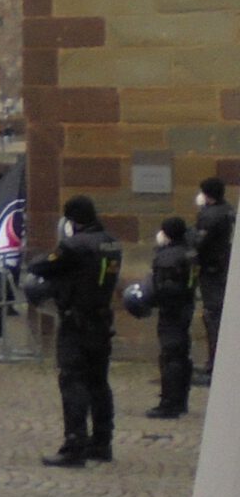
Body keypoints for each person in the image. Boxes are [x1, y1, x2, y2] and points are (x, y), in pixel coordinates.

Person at [27, 195, 121, 467]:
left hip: (76, 323)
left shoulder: (74, 246)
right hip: (101, 320)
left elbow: (42, 266)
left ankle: (74, 444)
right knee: (99, 382)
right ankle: (102, 441)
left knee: (72, 381)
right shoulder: (111, 241)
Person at [143, 216, 197, 420]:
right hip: (185, 307)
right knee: (182, 354)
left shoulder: (168, 257)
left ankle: (169, 403)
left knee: (171, 356)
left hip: (172, 311)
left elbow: (165, 288)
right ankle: (181, 400)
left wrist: (151, 298)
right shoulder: (190, 251)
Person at [195, 176, 233, 379]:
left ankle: (215, 366)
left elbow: (199, 243)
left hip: (212, 271)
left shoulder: (210, 215)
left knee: (213, 317)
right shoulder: (228, 210)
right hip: (223, 267)